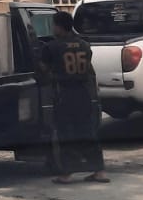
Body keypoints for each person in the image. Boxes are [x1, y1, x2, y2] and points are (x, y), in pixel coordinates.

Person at [37, 10, 109, 184]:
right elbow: (89, 70)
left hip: (64, 94)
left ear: (60, 27)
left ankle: (66, 173)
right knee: (88, 131)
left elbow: (42, 71)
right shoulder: (85, 45)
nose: (53, 28)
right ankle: (99, 171)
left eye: (54, 25)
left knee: (65, 133)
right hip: (83, 93)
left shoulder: (51, 47)